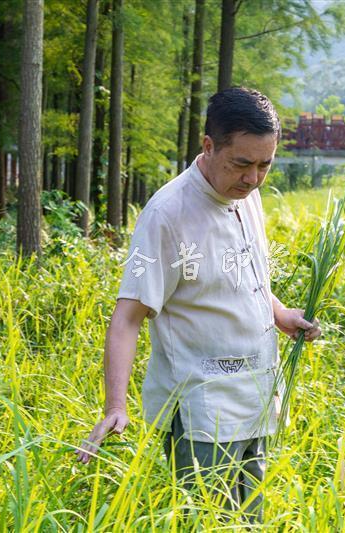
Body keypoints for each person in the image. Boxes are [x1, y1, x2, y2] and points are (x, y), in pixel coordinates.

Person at [77, 87, 321, 522]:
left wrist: (280, 313)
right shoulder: (167, 214)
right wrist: (116, 405)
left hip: (258, 398)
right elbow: (127, 317)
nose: (254, 178)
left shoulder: (246, 193)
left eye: (265, 164)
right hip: (204, 409)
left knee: (251, 520)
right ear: (209, 147)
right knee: (208, 520)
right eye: (242, 163)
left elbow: (245, 277)